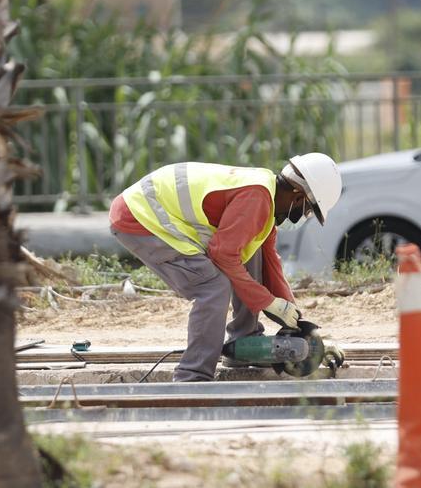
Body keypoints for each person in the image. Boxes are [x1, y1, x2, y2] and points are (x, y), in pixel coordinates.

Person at [109, 154, 342, 382]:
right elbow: (222, 255)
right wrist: (266, 302)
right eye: (307, 208)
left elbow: (270, 265)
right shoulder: (256, 198)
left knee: (253, 253)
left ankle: (244, 342)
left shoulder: (265, 199)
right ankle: (193, 376)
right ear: (297, 194)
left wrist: (303, 329)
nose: (303, 215)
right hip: (141, 216)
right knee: (212, 287)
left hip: (154, 213)